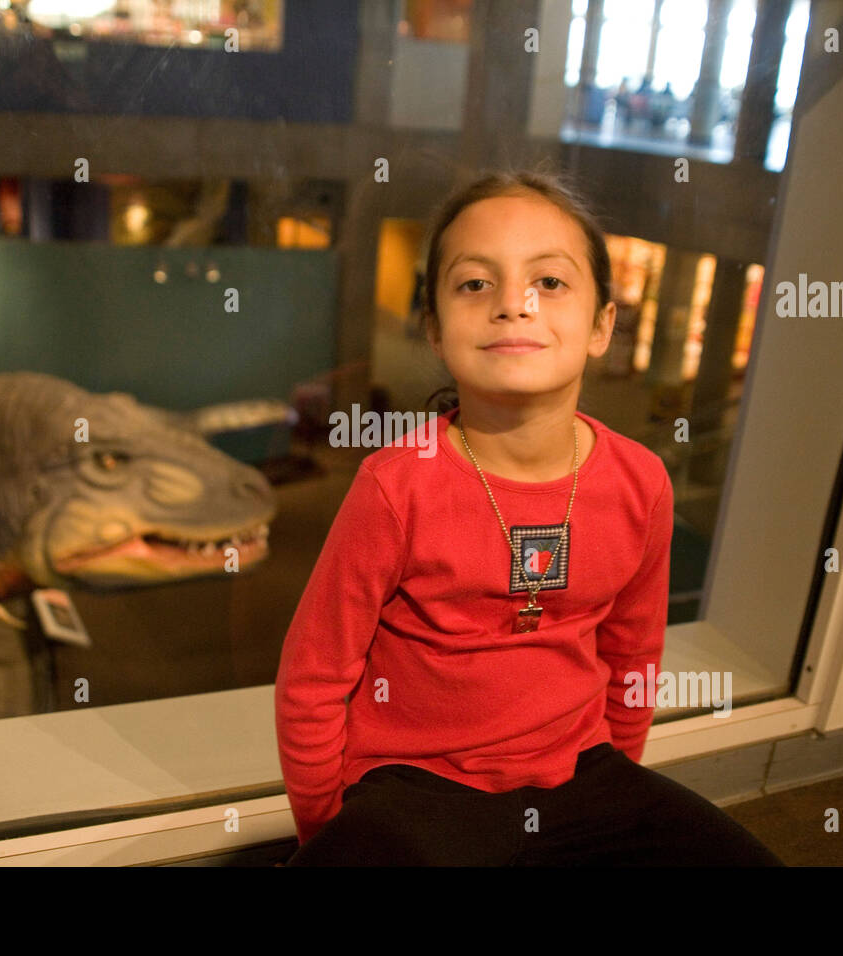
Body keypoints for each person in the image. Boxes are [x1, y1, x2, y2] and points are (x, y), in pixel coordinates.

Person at [274, 168, 783, 867]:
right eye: (476, 283)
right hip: (415, 787)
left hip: (584, 773)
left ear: (603, 323)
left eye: (550, 281)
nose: (514, 304)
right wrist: (325, 835)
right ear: (433, 328)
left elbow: (633, 657)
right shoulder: (395, 485)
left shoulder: (640, 481)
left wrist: (617, 785)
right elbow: (313, 679)